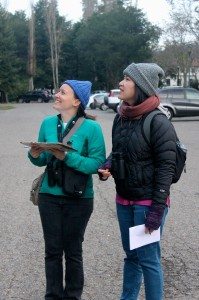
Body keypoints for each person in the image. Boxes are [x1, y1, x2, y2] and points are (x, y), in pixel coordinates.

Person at [98, 63, 177, 300]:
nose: (121, 83)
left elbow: (166, 168)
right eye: (122, 78)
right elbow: (119, 151)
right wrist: (108, 165)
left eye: (127, 79)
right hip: (124, 200)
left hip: (147, 203)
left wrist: (156, 209)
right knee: (131, 255)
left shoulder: (158, 121)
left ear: (141, 85)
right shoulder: (121, 117)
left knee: (148, 259)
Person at [28, 80, 106, 300]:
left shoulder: (92, 128)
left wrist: (68, 156)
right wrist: (35, 154)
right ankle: (52, 295)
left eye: (63, 92)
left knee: (73, 251)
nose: (57, 95)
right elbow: (42, 159)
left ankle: (73, 296)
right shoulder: (47, 124)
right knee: (52, 250)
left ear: (76, 100)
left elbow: (97, 163)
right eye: (58, 91)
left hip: (79, 199)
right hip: (48, 196)